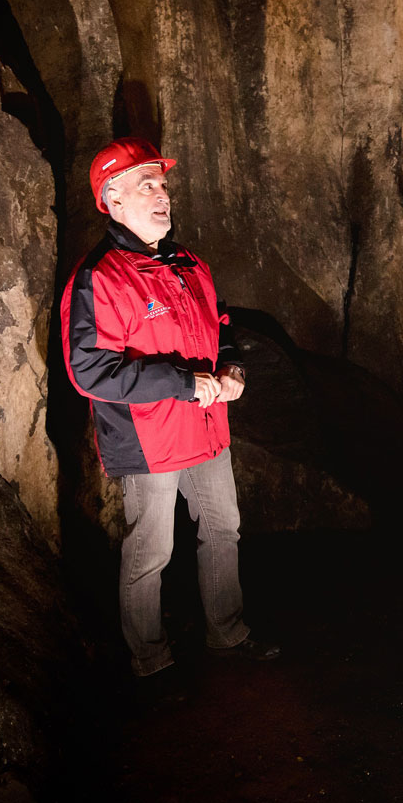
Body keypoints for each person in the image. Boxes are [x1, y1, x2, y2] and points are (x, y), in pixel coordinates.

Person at [61, 137, 278, 680]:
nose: (163, 194)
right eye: (147, 184)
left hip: (205, 427)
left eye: (163, 184)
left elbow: (220, 331)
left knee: (223, 527)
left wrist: (233, 370)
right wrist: (182, 382)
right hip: (147, 435)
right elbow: (89, 370)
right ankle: (150, 659)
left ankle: (227, 632)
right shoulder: (101, 277)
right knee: (151, 548)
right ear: (113, 200)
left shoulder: (190, 265)